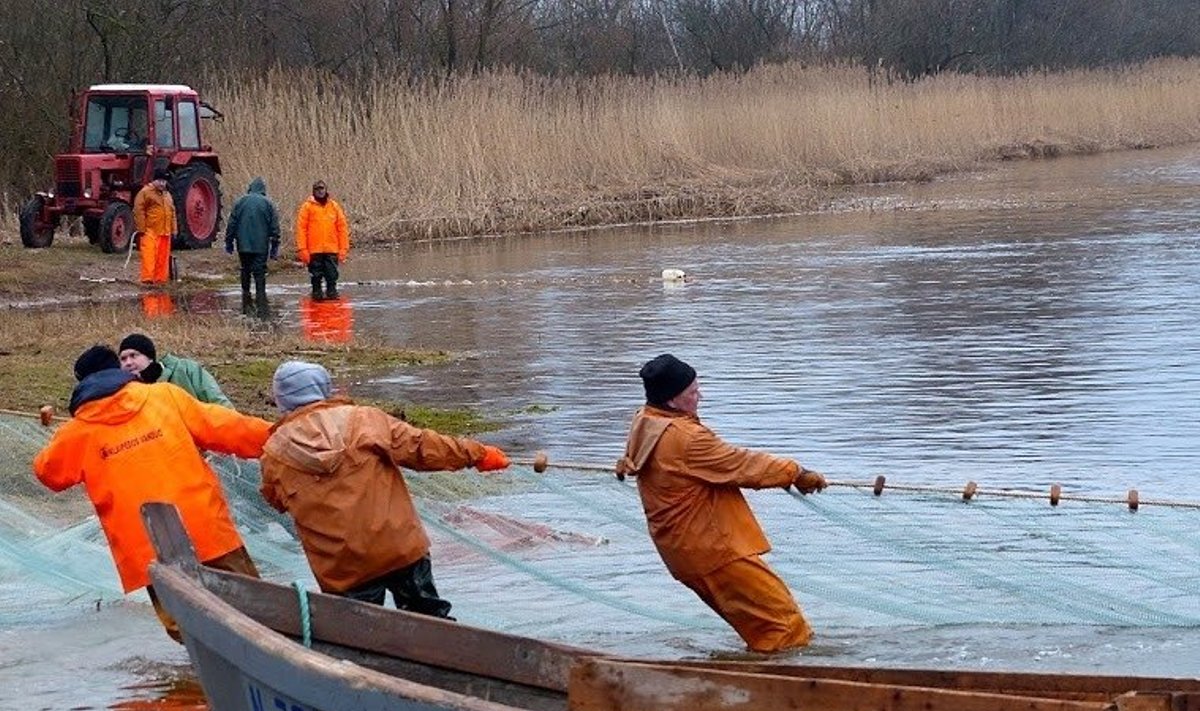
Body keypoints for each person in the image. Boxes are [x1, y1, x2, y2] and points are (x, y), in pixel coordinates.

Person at [33, 345, 273, 642]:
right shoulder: (164, 396)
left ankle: (213, 680)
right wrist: (280, 434)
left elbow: (49, 474)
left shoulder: (77, 431)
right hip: (206, 529)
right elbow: (228, 428)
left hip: (148, 549)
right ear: (119, 372)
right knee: (257, 611)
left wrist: (60, 434)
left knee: (189, 631)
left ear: (81, 384)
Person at [259, 360, 511, 616]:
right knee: (432, 621)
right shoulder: (364, 419)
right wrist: (479, 455)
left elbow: (276, 502)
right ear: (325, 389)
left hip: (343, 568)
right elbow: (424, 447)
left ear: (281, 401)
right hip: (400, 548)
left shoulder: (273, 454)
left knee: (360, 637)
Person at [615, 353, 828, 653]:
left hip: (684, 556)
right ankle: (775, 691)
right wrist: (796, 473)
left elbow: (633, 461)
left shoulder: (645, 420)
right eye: (692, 392)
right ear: (673, 401)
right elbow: (743, 465)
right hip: (715, 552)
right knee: (785, 627)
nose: (700, 396)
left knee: (763, 630)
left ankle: (754, 674)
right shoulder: (686, 439)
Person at [117, 333, 234, 408]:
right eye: (123, 359)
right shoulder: (122, 390)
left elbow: (219, 403)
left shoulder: (186, 369)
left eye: (133, 356)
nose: (128, 362)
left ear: (150, 358)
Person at [224, 176, 281, 317]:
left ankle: (246, 295)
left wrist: (229, 241)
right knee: (259, 271)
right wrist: (274, 246)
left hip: (243, 245)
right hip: (261, 245)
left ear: (250, 188)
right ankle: (261, 299)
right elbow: (274, 227)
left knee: (245, 269)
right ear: (263, 190)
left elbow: (232, 224)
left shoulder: (240, 202)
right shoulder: (268, 203)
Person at [294, 180, 349, 300]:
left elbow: (342, 229)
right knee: (316, 278)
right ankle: (316, 298)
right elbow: (301, 230)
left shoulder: (334, 206)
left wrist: (343, 248)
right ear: (313, 191)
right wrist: (302, 249)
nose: (320, 191)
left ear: (326, 190)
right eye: (317, 189)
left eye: (322, 188)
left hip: (331, 249)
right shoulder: (306, 207)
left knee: (332, 277)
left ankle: (332, 299)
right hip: (314, 250)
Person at [133, 168, 176, 285]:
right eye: (160, 181)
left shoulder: (167, 195)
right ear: (154, 180)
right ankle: (147, 280)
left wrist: (174, 230)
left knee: (163, 258)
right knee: (149, 257)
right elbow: (138, 211)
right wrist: (142, 229)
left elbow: (172, 212)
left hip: (165, 232)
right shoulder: (145, 192)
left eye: (164, 181)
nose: (162, 183)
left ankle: (160, 280)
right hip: (150, 231)